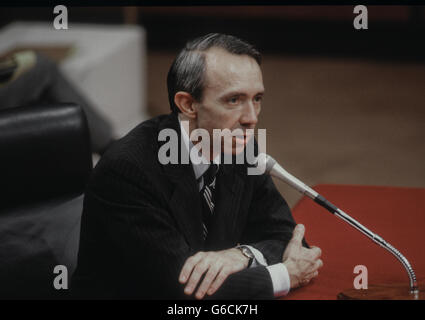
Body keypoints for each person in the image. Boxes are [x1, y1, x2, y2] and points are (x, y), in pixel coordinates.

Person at [71, 33, 323, 299]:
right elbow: (186, 287)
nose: (251, 118)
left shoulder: (239, 147)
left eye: (257, 98)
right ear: (188, 104)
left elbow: (287, 238)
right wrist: (284, 275)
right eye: (234, 100)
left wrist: (243, 254)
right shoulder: (128, 171)